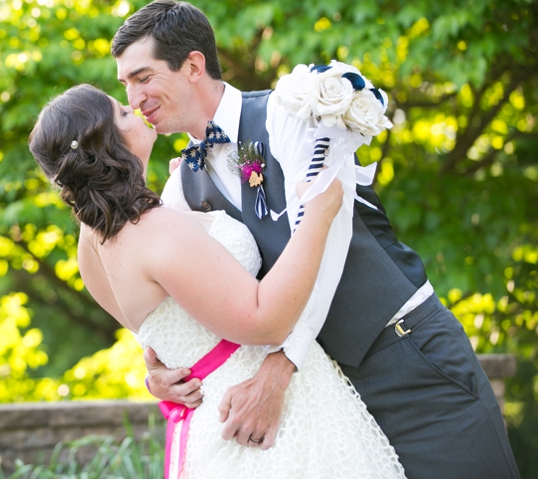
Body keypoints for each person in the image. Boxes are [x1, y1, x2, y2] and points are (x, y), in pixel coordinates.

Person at [111, 0, 519, 478]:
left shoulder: (293, 114)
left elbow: (327, 237)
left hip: (406, 361)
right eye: (125, 86)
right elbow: (173, 293)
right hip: (321, 405)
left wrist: (282, 364)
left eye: (143, 78)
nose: (134, 100)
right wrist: (158, 366)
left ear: (193, 65)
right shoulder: (183, 185)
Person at [29, 84, 405, 478]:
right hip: (268, 424)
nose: (133, 107)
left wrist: (157, 375)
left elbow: (172, 333)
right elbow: (265, 321)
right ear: (104, 145)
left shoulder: (90, 249)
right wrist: (319, 212)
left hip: (211, 426)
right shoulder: (153, 230)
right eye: (120, 113)